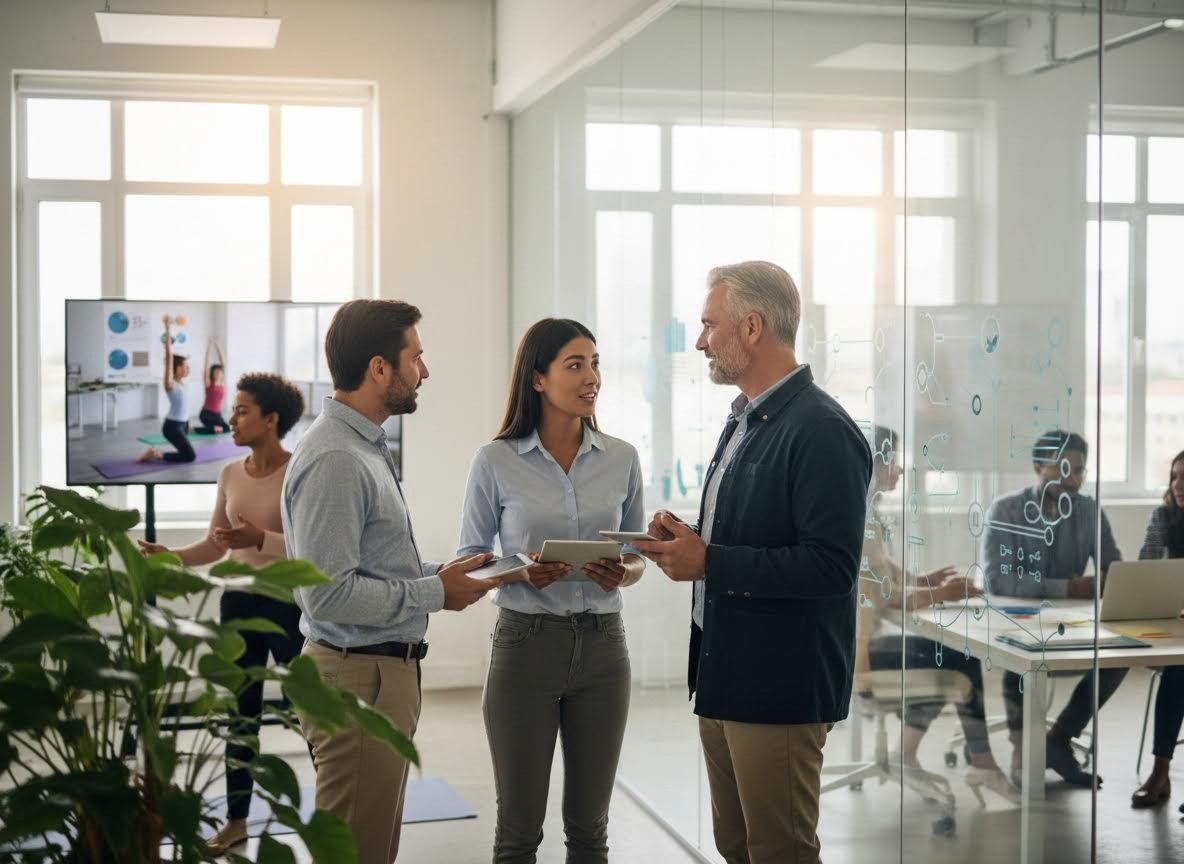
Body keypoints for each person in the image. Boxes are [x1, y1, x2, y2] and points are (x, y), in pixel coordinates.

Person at [635, 261, 871, 864]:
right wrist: (687, 538)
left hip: (779, 687)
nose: (699, 341)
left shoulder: (821, 430)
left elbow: (830, 568)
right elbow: (753, 536)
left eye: (710, 325)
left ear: (752, 328)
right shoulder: (745, 418)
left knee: (780, 851)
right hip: (725, 676)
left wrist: (709, 559)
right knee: (737, 846)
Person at [281, 298, 494, 864]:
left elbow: (369, 569)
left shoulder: (362, 447)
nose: (424, 371)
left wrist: (442, 576)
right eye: (416, 358)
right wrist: (435, 593)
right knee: (356, 850)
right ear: (380, 368)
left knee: (370, 843)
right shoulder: (337, 459)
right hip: (358, 677)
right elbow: (328, 593)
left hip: (376, 672)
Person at [457, 318, 645, 864]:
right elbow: (468, 564)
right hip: (525, 647)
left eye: (595, 364)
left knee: (591, 830)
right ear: (537, 379)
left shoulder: (622, 458)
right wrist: (521, 572)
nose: (592, 377)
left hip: (605, 647)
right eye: (575, 365)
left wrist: (622, 573)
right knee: (518, 830)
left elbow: (634, 560)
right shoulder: (494, 461)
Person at [138, 372, 306, 854]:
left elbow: (312, 547)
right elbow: (215, 545)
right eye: (233, 409)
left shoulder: (299, 473)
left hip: (287, 605)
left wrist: (261, 541)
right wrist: (168, 555)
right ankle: (236, 822)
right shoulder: (230, 473)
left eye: (242, 410)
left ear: (271, 420)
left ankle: (337, 811)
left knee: (311, 713)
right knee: (241, 715)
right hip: (236, 601)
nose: (230, 418)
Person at [857, 426, 1015, 803]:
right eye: (894, 462)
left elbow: (884, 572)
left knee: (952, 654)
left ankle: (955, 758)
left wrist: (924, 580)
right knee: (954, 658)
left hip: (861, 644)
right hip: (857, 657)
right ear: (875, 465)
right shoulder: (859, 520)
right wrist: (939, 593)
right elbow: (884, 595)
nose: (899, 471)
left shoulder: (867, 513)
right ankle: (976, 762)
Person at [982, 428, 1126, 789]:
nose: (1072, 479)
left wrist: (1110, 581)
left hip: (1073, 624)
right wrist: (1067, 587)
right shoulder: (1006, 510)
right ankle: (1022, 747)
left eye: (1079, 471)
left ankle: (1058, 740)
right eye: (1063, 468)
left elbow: (1114, 569)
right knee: (1020, 663)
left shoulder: (1089, 510)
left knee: (1119, 656)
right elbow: (997, 581)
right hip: (1017, 625)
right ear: (1037, 467)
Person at [1130, 449, 1184, 811]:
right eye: (1175, 477)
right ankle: (1160, 769)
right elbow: (1145, 572)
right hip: (1175, 624)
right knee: (1178, 670)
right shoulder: (1164, 517)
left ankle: (1160, 772)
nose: (1179, 485)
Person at [137, 315, 195, 464]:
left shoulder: (184, 383)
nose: (187, 369)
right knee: (190, 456)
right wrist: (168, 328)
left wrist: (188, 425)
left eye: (187, 366)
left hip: (183, 424)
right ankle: (156, 454)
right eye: (184, 366)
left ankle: (154, 453)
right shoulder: (170, 384)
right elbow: (169, 356)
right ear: (175, 369)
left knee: (184, 452)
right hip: (172, 427)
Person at [199, 337, 229, 434]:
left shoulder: (221, 382)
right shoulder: (208, 382)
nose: (219, 373)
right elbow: (206, 365)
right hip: (206, 414)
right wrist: (208, 348)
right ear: (212, 373)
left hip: (217, 414)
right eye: (216, 372)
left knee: (227, 429)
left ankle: (210, 429)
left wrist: (216, 345)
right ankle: (196, 430)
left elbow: (223, 362)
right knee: (214, 429)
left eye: (220, 372)